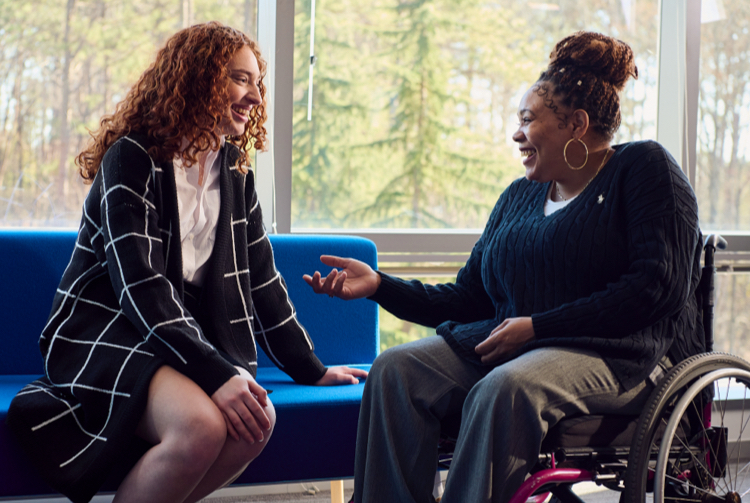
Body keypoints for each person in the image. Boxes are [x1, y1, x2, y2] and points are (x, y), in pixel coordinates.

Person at [304, 31, 703, 503]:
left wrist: (537, 327)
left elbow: (657, 287)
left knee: (507, 388)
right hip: (522, 349)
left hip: (622, 358)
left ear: (576, 123)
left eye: (528, 120)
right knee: (396, 369)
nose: (516, 134)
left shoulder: (643, 167)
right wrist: (379, 287)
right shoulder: (519, 196)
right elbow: (470, 297)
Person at [7, 22, 366, 503]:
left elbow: (262, 280)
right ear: (198, 78)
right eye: (241, 79)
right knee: (200, 428)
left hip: (180, 339)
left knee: (256, 424)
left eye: (258, 84)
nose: (256, 97)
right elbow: (141, 286)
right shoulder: (131, 158)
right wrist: (217, 374)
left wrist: (311, 369)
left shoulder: (235, 171)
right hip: (107, 329)